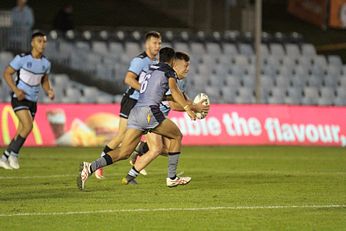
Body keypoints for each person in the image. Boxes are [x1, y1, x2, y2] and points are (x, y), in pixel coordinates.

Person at [77, 47, 196, 190]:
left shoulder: (150, 69)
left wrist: (189, 104)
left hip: (136, 111)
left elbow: (161, 93)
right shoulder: (168, 71)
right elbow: (175, 92)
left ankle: (90, 167)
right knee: (176, 136)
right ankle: (172, 178)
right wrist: (188, 108)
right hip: (150, 112)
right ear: (172, 60)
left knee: (124, 152)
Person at [123, 51, 209, 184]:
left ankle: (133, 169)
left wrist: (193, 106)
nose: (188, 69)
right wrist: (193, 108)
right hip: (152, 116)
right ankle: (141, 158)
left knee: (168, 150)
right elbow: (173, 105)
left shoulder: (180, 82)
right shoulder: (167, 77)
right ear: (176, 64)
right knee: (157, 148)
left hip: (157, 116)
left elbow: (183, 99)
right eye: (186, 65)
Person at [94, 31, 161, 179]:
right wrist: (145, 91)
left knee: (146, 133)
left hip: (144, 103)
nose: (157, 46)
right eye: (155, 43)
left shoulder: (156, 63)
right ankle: (99, 163)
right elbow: (129, 79)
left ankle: (136, 158)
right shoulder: (140, 61)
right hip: (132, 100)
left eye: (159, 43)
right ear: (147, 44)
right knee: (122, 135)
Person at [0, 31, 55, 170]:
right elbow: (7, 73)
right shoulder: (22, 59)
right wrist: (16, 90)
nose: (42, 44)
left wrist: (49, 90)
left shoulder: (46, 63)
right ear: (32, 43)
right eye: (39, 41)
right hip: (20, 99)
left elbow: (45, 80)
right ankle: (14, 154)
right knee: (28, 126)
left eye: (44, 42)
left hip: (33, 101)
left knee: (21, 130)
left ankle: (5, 157)